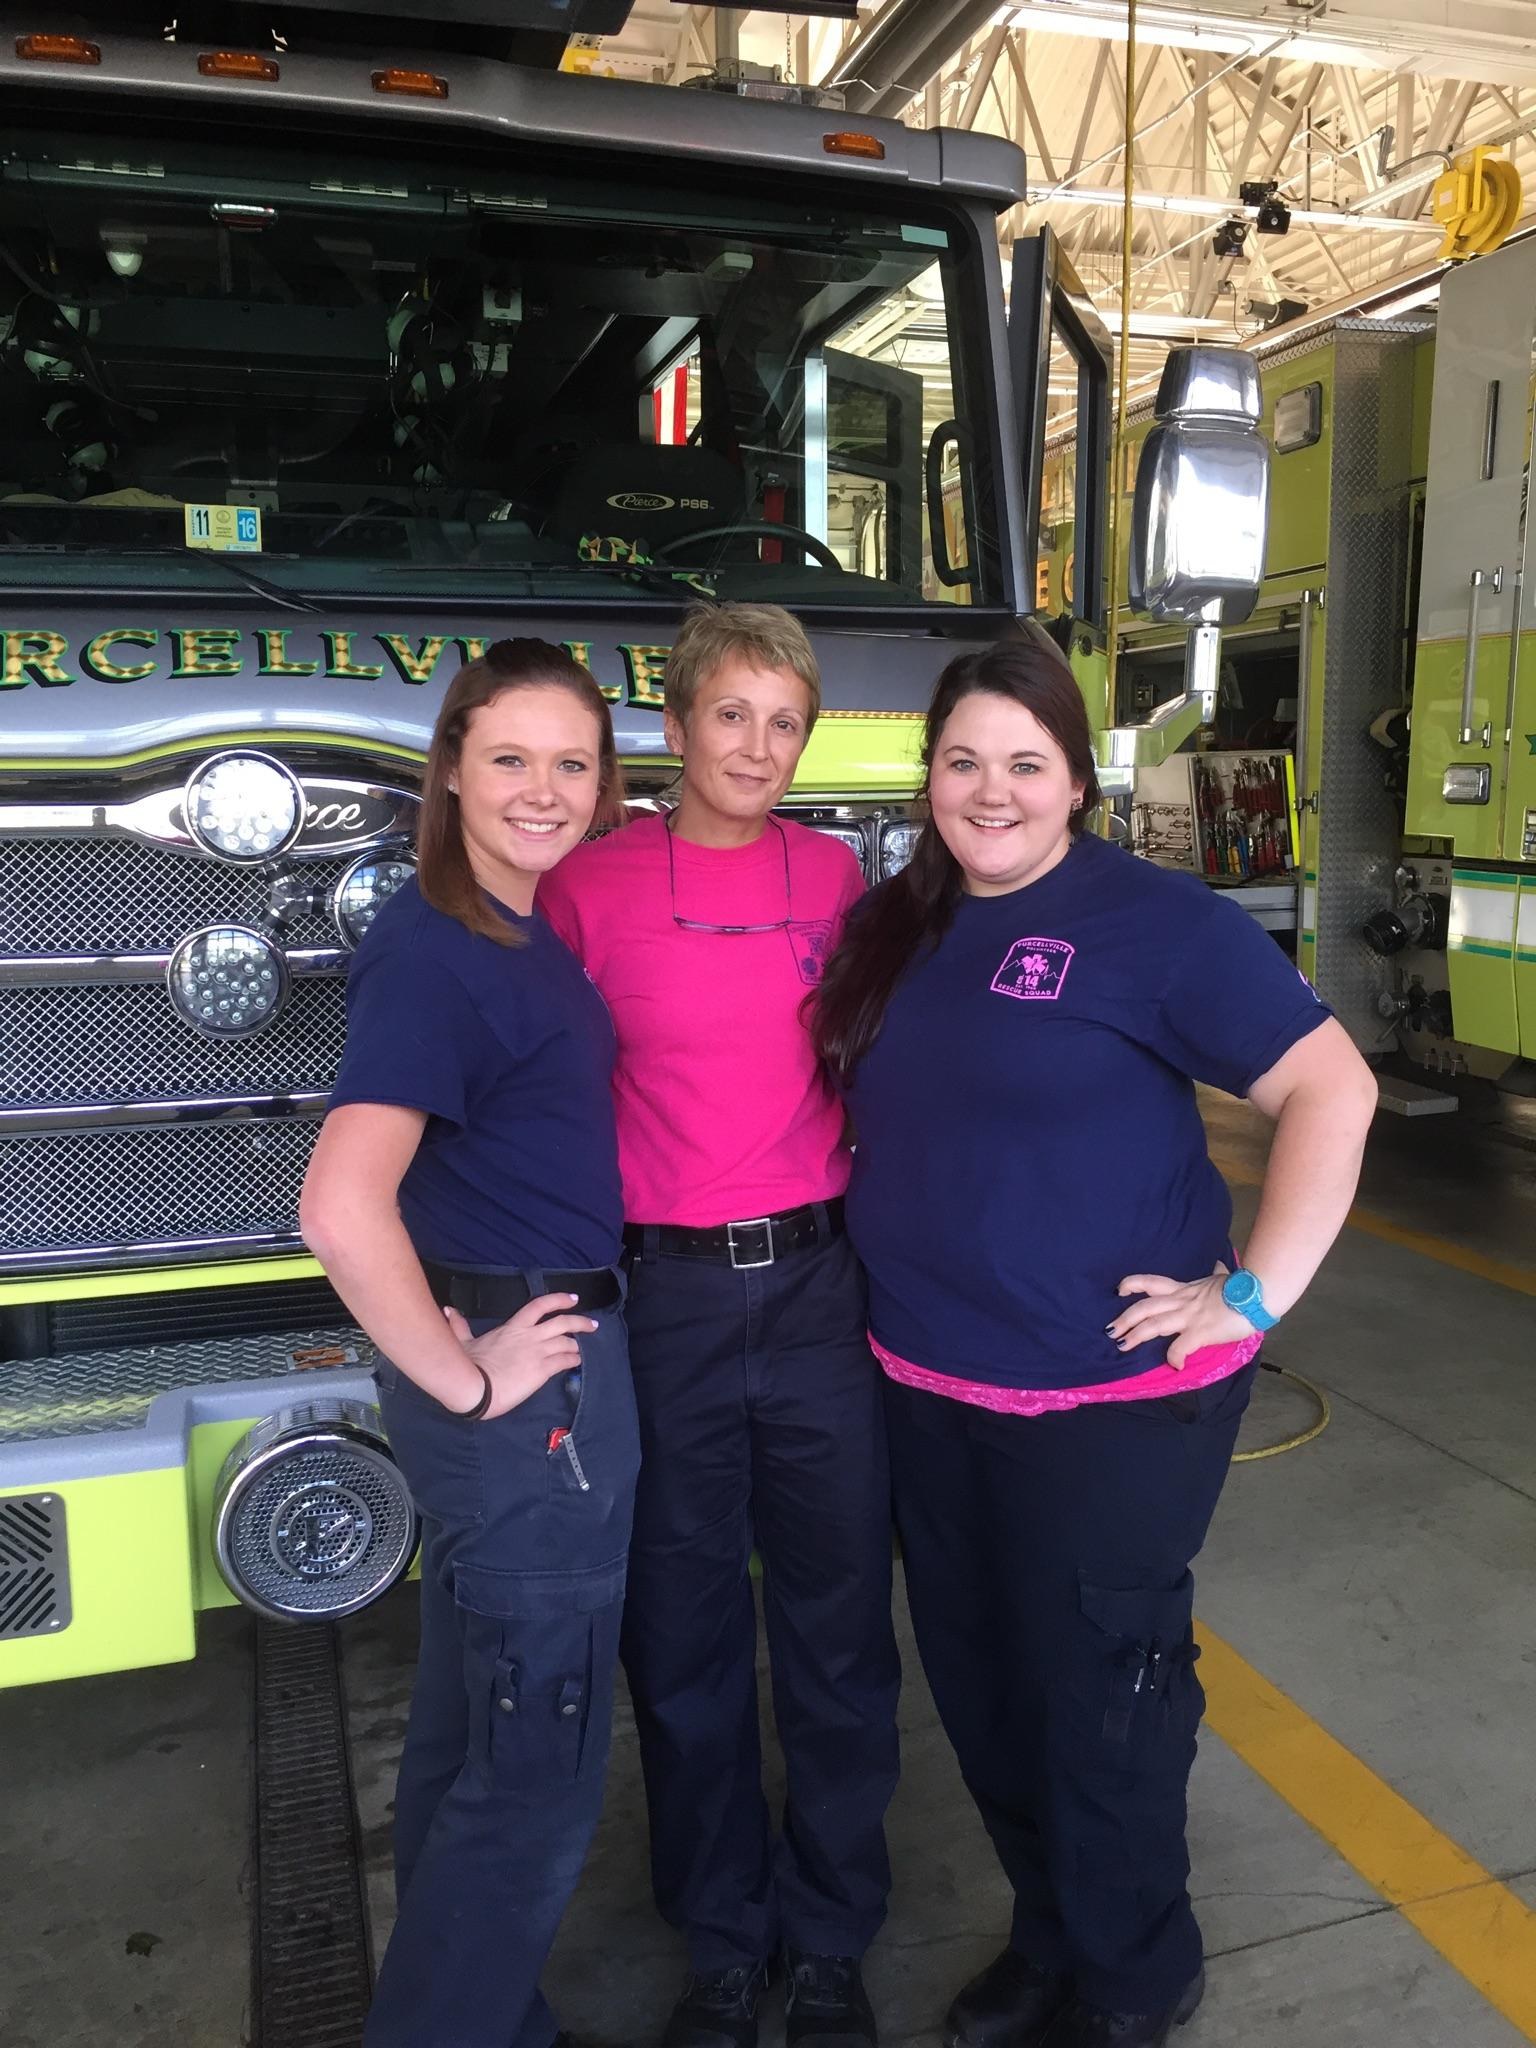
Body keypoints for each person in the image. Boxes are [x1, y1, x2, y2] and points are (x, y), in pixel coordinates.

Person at [811, 639, 1378, 2048]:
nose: (989, 791)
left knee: (1102, 1700)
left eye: (1024, 763)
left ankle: (1132, 1972)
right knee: (987, 1688)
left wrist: (1248, 1298)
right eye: (961, 762)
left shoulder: (1153, 924)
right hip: (929, 1386)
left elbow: (1332, 1088)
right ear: (927, 775)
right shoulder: (902, 924)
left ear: (1076, 778)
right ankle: (1049, 1932)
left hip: (1107, 1403)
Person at [538, 603, 900, 2048]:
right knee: (680, 1636)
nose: (757, 747)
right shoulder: (589, 889)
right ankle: (721, 1942)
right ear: (675, 726)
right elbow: (543, 1097)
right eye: (730, 715)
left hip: (819, 1290)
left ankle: (829, 1937)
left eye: (784, 722)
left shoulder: (840, 879)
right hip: (665, 1301)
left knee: (834, 1631)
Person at [299, 639, 640, 2048]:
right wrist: (465, 1371)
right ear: (451, 769)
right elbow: (337, 1201)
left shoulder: (517, 925)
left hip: (532, 1366)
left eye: (572, 762)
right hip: (531, 1395)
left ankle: (487, 2016)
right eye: (510, 758)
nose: (544, 790)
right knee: (539, 1766)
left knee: (467, 1731)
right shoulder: (442, 952)